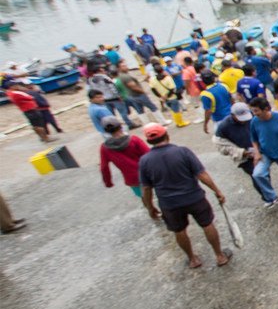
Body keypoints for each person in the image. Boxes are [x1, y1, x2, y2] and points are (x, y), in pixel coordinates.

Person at [137, 123, 231, 269]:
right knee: (207, 224)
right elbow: (201, 174)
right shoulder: (182, 152)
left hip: (169, 203)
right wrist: (217, 191)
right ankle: (219, 255)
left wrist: (150, 207)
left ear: (148, 141)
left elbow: (146, 188)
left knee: (179, 230)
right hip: (194, 197)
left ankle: (192, 259)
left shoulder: (145, 161)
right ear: (167, 136)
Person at [213, 103, 267, 202]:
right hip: (244, 156)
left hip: (258, 151)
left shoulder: (252, 117)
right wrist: (243, 152)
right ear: (233, 115)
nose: (244, 120)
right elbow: (221, 145)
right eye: (240, 118)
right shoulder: (224, 126)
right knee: (256, 175)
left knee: (264, 174)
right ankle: (268, 198)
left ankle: (269, 195)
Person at [99, 116, 151, 202]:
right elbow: (149, 155)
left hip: (132, 179)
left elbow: (104, 167)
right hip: (148, 174)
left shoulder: (104, 148)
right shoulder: (134, 140)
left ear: (106, 131)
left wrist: (108, 182)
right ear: (121, 126)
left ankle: (151, 210)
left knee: (144, 198)